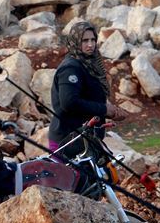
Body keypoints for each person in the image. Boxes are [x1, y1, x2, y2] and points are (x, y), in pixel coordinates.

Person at [48, 21, 126, 158]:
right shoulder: (70, 68)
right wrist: (103, 109)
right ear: (75, 41)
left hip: (86, 138)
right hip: (67, 140)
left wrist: (110, 111)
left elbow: (89, 98)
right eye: (85, 40)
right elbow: (69, 102)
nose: (90, 44)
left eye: (93, 40)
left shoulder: (89, 64)